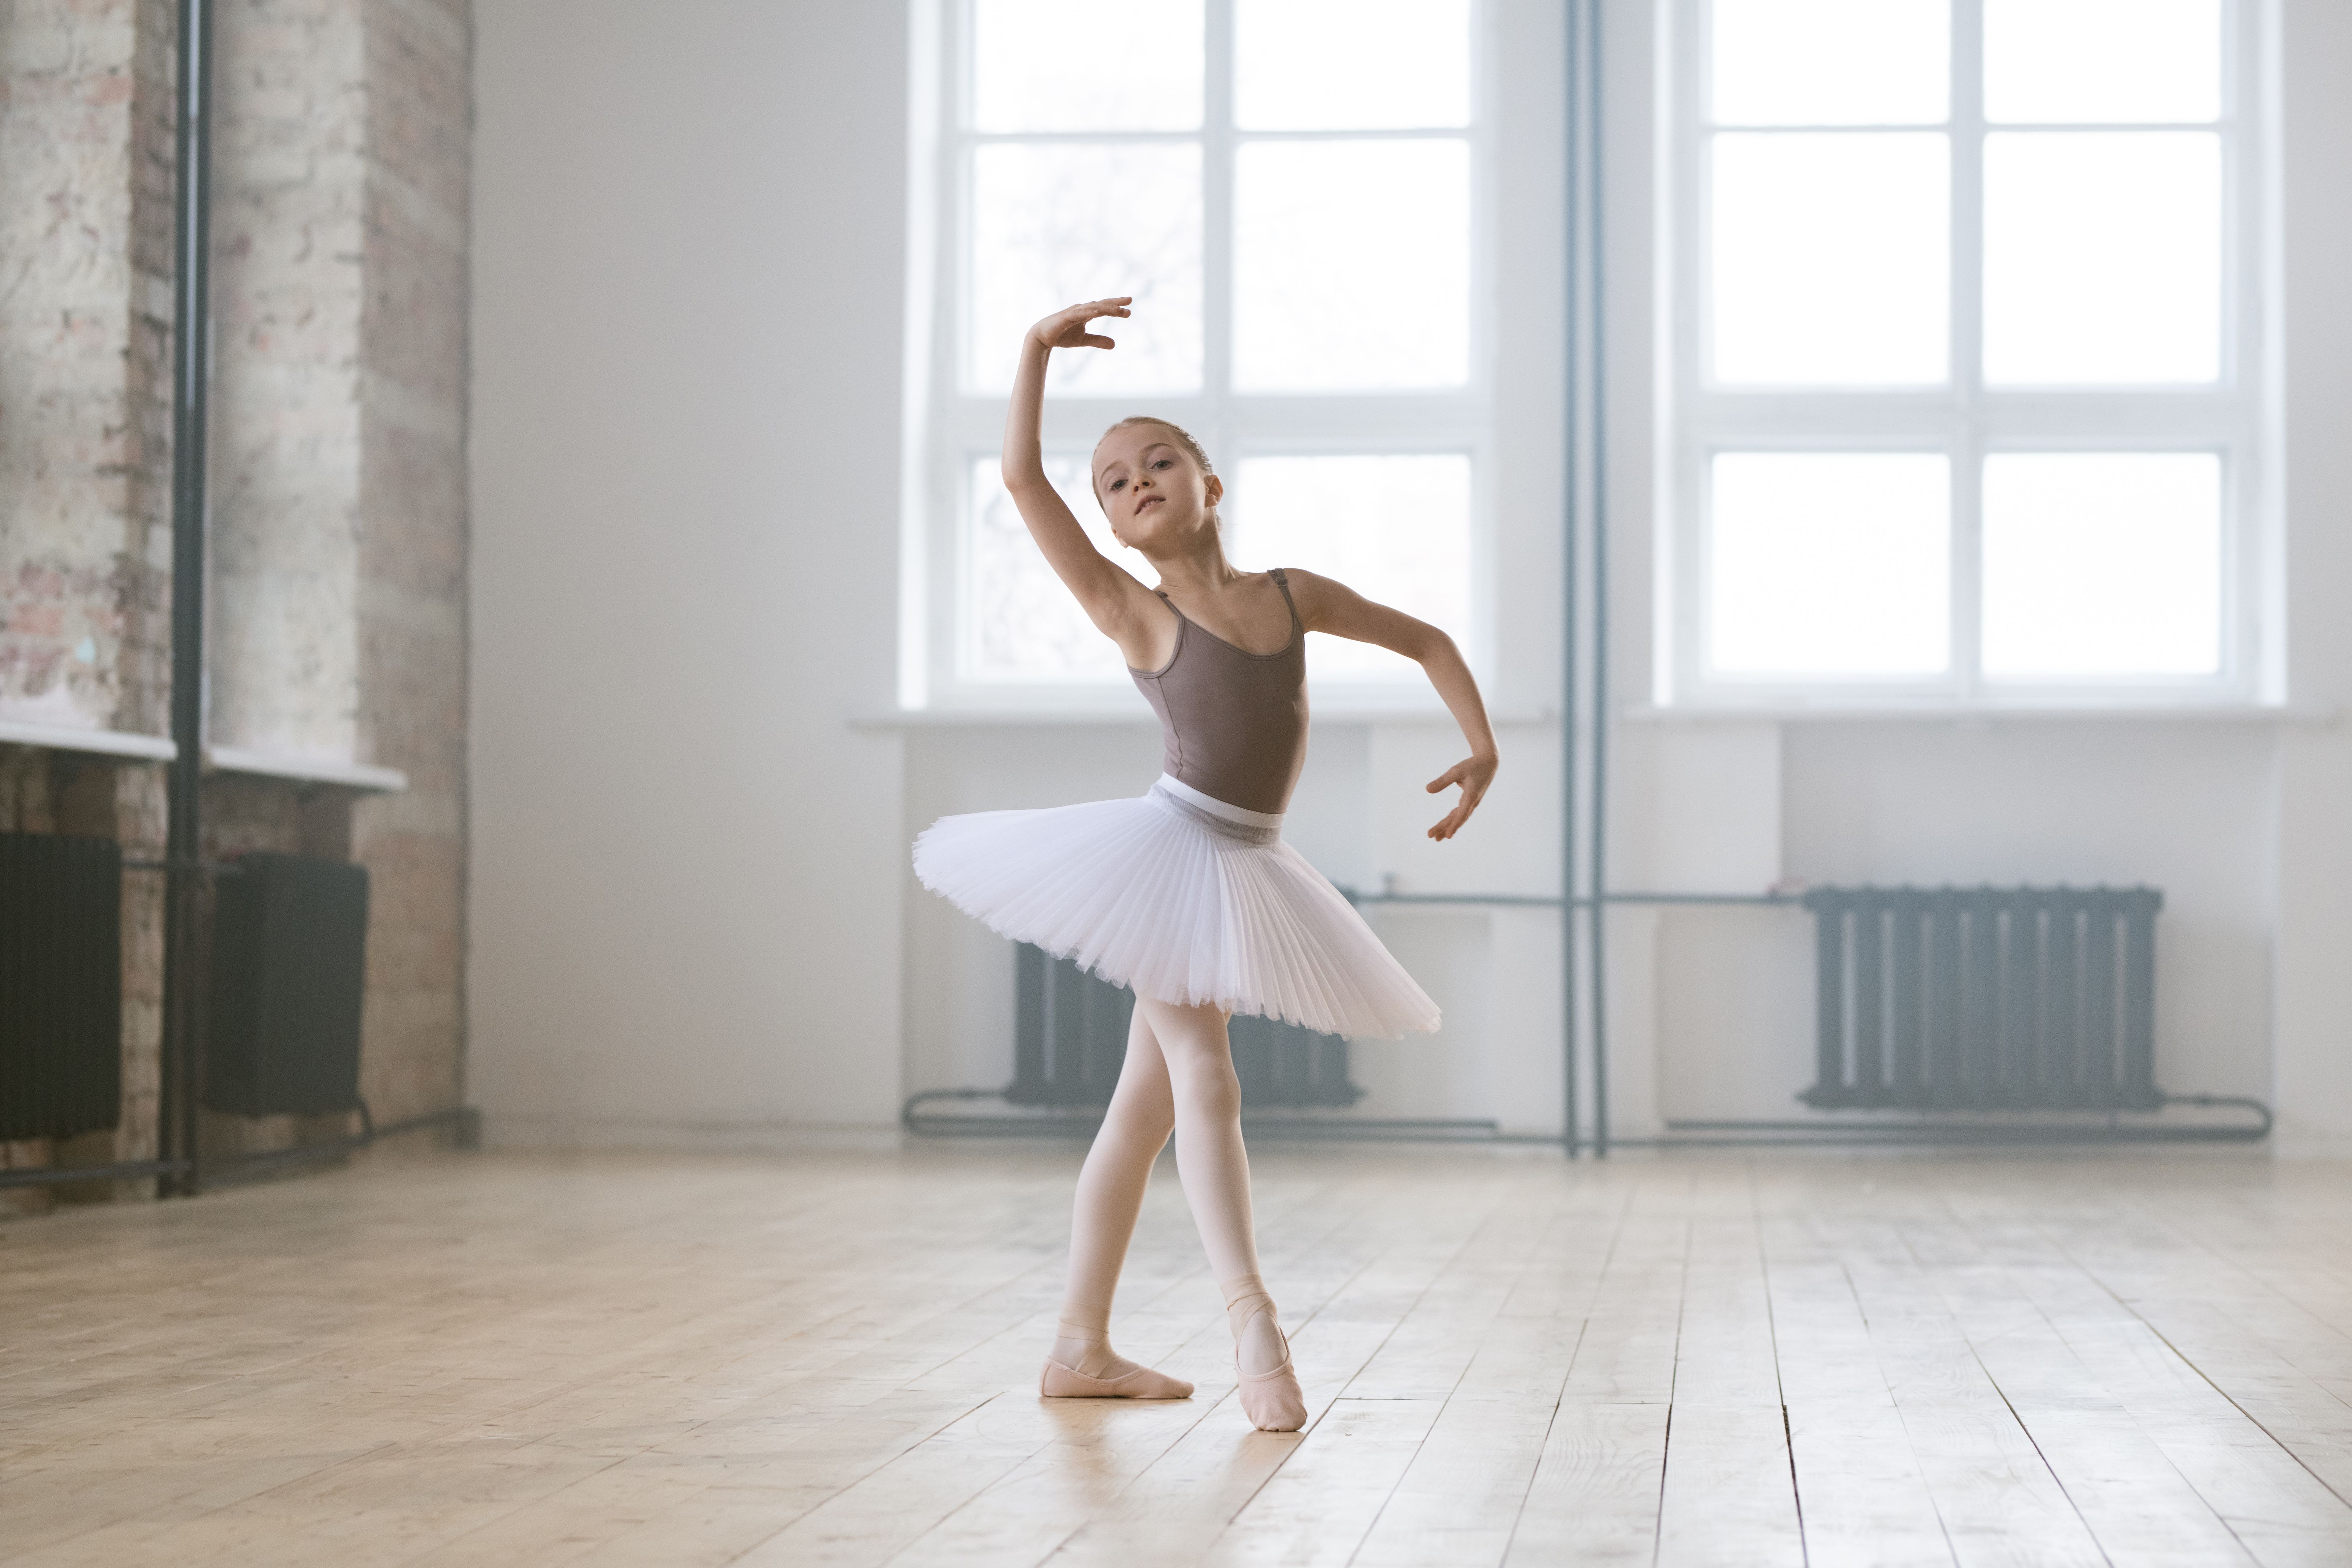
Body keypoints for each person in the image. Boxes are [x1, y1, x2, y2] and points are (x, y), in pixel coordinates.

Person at [913, 297, 1499, 1432]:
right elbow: (1025, 482)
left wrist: (1480, 747)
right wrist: (1035, 352)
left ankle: (1079, 1348)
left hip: (1250, 859)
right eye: (1116, 483)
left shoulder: (1291, 596)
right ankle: (1252, 1320)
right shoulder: (1131, 611)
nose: (1136, 484)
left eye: (1158, 462)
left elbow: (1428, 640)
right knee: (1206, 1081)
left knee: (1141, 1113)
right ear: (1117, 531)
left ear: (1208, 484)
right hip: (1173, 853)